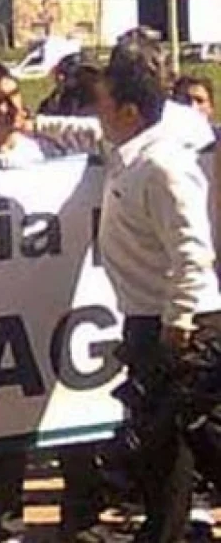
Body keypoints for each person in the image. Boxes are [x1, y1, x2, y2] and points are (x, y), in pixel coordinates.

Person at [96, 38, 221, 543]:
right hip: (145, 318)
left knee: (199, 437)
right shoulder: (127, 155)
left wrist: (179, 323)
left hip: (180, 325)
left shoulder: (163, 166)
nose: (97, 114)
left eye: (103, 105)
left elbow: (192, 249)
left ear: (128, 111)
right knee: (163, 447)